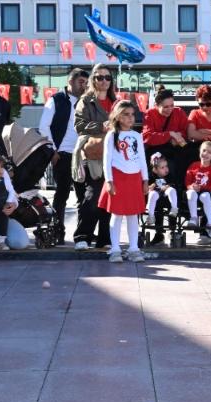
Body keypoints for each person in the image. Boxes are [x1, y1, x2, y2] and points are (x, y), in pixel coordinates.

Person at [39, 68, 88, 243]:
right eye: (80, 82)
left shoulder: (87, 101)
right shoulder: (56, 100)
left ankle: (83, 234)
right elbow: (44, 126)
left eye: (85, 83)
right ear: (70, 81)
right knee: (62, 194)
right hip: (62, 154)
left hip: (82, 155)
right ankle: (58, 231)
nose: (84, 86)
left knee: (84, 196)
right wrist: (52, 151)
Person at [98, 100, 149, 262]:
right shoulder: (111, 135)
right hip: (117, 177)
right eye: (126, 115)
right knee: (117, 214)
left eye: (132, 115)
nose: (130, 118)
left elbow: (142, 159)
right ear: (118, 116)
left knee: (133, 214)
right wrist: (109, 180)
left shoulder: (137, 135)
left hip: (135, 178)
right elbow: (107, 160)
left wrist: (145, 179)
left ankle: (134, 248)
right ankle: (115, 249)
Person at [72, 63, 116, 249]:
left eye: (107, 77)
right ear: (93, 80)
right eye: (99, 77)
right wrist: (101, 126)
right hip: (93, 153)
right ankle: (82, 236)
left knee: (110, 196)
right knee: (92, 195)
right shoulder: (86, 100)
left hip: (113, 154)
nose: (104, 81)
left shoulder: (116, 101)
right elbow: (79, 126)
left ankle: (104, 239)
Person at [141, 87, 189, 195]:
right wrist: (170, 134)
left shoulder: (179, 112)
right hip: (155, 151)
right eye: (165, 107)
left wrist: (179, 137)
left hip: (174, 150)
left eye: (172, 105)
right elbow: (147, 137)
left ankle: (179, 193)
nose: (170, 109)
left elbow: (186, 132)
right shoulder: (150, 114)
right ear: (156, 105)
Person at [185, 139, 211, 241]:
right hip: (193, 191)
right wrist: (191, 186)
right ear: (200, 151)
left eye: (209, 152)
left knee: (205, 196)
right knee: (191, 193)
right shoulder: (193, 166)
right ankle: (194, 218)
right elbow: (187, 183)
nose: (205, 154)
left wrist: (201, 187)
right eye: (204, 150)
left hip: (206, 192)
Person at [145, 153, 178, 245]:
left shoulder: (169, 175)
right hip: (156, 200)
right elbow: (147, 188)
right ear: (155, 170)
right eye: (162, 167)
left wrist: (168, 186)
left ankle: (173, 230)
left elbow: (174, 184)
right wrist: (151, 186)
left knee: (172, 191)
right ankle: (152, 219)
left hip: (168, 199)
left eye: (166, 166)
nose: (166, 169)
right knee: (154, 199)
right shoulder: (151, 176)